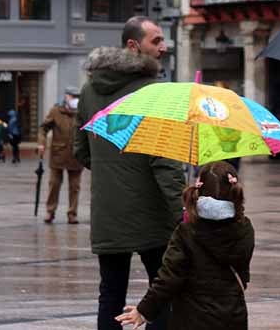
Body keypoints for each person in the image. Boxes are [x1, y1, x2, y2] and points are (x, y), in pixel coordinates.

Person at [74, 16, 184, 330]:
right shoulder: (155, 92)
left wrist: (114, 173)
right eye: (156, 41)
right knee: (161, 291)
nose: (163, 48)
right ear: (133, 45)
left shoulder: (89, 90)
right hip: (153, 213)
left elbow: (80, 150)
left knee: (110, 293)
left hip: (109, 212)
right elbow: (165, 162)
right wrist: (184, 214)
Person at [116, 161, 255, 330]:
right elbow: (243, 274)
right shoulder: (245, 228)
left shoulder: (186, 231)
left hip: (191, 317)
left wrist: (144, 310)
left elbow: (169, 278)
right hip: (233, 316)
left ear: (199, 189)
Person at [39, 88, 84, 224]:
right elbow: (43, 128)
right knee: (54, 184)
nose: (75, 99)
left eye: (77, 96)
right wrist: (42, 143)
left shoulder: (82, 112)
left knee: (75, 186)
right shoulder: (56, 111)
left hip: (76, 155)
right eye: (73, 96)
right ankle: (50, 211)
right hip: (58, 154)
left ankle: (72, 213)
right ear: (66, 97)